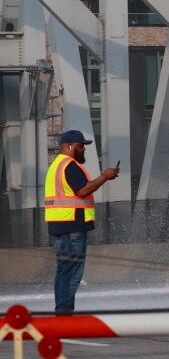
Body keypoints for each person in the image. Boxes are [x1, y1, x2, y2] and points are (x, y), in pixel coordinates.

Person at [45, 130, 119, 314]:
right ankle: (64, 313)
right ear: (69, 146)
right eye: (80, 146)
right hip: (72, 226)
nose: (83, 150)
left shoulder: (56, 165)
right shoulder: (69, 165)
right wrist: (105, 176)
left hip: (60, 225)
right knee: (73, 271)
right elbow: (83, 190)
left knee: (64, 270)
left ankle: (63, 311)